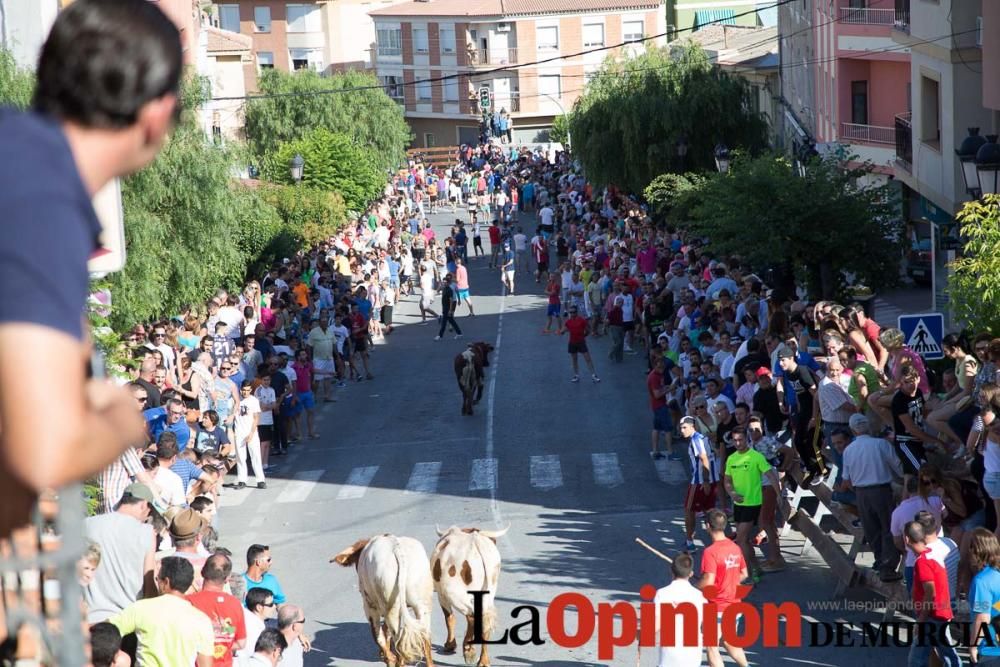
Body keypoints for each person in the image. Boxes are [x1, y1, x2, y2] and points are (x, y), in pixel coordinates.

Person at [0, 0, 177, 538]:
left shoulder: (18, 152)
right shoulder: (40, 195)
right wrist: (124, 421)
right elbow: (44, 451)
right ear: (157, 115)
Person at [110, 556, 215, 667]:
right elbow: (206, 664)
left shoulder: (141, 608)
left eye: (157, 579)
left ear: (166, 582)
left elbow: (105, 631)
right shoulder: (202, 620)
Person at [83, 483, 160, 622]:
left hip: (90, 618)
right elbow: (149, 581)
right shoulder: (146, 532)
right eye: (149, 511)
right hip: (127, 620)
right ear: (144, 505)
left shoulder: (87, 524)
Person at [840, 414, 903, 581]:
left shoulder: (848, 450)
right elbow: (898, 466)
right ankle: (887, 566)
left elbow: (846, 479)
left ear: (853, 430)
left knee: (872, 529)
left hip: (861, 492)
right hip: (881, 490)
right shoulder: (881, 444)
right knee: (888, 528)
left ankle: (880, 561)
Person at [723, 426, 781, 581]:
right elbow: (727, 480)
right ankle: (756, 568)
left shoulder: (756, 457)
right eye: (735, 440)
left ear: (746, 440)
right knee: (745, 540)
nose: (737, 443)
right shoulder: (731, 458)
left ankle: (747, 573)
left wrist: (779, 495)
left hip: (753, 504)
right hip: (739, 505)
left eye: (740, 439)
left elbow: (771, 475)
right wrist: (732, 493)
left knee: (741, 538)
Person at [903, 520, 961, 667]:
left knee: (916, 660)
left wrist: (921, 620)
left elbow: (930, 592)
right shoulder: (931, 555)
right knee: (948, 654)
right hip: (942, 612)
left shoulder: (922, 562)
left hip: (932, 616)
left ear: (907, 539)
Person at [698, 509, 749, 667]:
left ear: (708, 525)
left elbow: (708, 581)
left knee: (712, 647)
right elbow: (744, 574)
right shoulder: (735, 548)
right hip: (735, 605)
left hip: (718, 607)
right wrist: (728, 584)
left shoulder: (710, 552)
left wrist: (693, 586)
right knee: (728, 641)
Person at [637, 552, 706, 667]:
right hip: (693, 656)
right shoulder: (700, 596)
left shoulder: (662, 594)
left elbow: (654, 627)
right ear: (691, 573)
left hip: (669, 656)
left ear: (671, 571)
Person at [187, 553, 247, 666]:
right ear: (227, 578)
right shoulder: (235, 604)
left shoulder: (188, 602)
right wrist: (222, 644)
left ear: (202, 572)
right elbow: (241, 643)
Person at [679, 416, 718, 552]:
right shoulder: (703, 438)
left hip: (699, 481)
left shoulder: (696, 439)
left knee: (689, 510)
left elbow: (703, 458)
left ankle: (690, 542)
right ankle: (717, 542)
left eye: (685, 427)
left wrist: (705, 481)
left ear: (692, 427)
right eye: (681, 428)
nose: (682, 430)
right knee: (709, 511)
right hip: (712, 479)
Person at [967, 528, 1000, 666]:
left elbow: (982, 618)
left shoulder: (981, 581)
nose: (968, 552)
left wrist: (973, 646)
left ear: (977, 551)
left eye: (970, 547)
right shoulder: (997, 575)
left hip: (989, 650)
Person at [233, 380, 265, 490]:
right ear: (240, 389)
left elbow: (256, 418)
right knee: (241, 457)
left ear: (251, 390)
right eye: (243, 390)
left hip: (251, 431)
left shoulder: (254, 401)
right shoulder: (236, 400)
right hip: (239, 431)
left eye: (247, 390)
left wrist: (251, 433)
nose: (245, 392)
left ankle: (260, 480)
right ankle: (242, 480)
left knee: (255, 455)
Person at [560, 306, 600, 383]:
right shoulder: (568, 322)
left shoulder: (582, 320)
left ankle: (594, 375)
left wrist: (584, 335)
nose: (572, 314)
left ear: (576, 312)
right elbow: (564, 329)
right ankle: (576, 375)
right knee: (574, 360)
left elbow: (588, 330)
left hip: (581, 342)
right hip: (572, 343)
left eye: (573, 312)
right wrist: (562, 331)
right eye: (570, 312)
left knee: (588, 359)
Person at [647, 356, 677, 460]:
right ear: (655, 366)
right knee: (668, 429)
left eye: (663, 366)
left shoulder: (658, 375)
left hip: (656, 406)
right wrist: (669, 389)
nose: (662, 369)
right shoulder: (654, 377)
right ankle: (670, 452)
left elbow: (659, 389)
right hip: (660, 405)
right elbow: (657, 395)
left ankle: (656, 451)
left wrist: (666, 387)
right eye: (659, 367)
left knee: (657, 428)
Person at [435, 273, 464, 341]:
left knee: (444, 323)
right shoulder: (444, 288)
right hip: (445, 307)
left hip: (447, 308)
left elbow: (451, 301)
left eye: (445, 282)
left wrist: (450, 310)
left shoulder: (449, 290)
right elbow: (437, 291)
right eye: (443, 282)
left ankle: (439, 336)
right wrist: (440, 285)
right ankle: (459, 333)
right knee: (452, 321)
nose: (444, 283)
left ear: (448, 282)